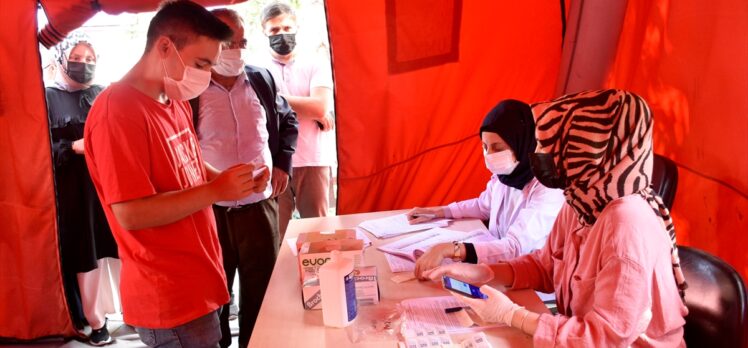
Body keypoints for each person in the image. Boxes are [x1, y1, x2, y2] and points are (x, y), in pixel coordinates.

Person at [425, 89, 689, 346]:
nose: (541, 153)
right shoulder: (581, 201)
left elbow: (604, 338)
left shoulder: (626, 225)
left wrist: (511, 315)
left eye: (554, 144)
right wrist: (484, 272)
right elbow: (544, 266)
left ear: (589, 149)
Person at [83, 1, 270, 347]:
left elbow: (190, 166)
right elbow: (131, 212)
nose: (205, 74)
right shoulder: (118, 111)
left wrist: (230, 181)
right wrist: (216, 191)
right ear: (165, 46)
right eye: (201, 64)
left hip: (199, 277)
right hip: (168, 294)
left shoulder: (173, 98)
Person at [191, 8, 298, 348]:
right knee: (214, 293)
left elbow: (288, 119)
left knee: (263, 292)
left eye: (242, 42)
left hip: (260, 207)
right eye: (228, 42)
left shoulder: (261, 79)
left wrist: (283, 163)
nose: (236, 50)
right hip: (212, 212)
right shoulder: (190, 90)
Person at [408, 100, 565, 279]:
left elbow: (514, 248)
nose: (489, 155)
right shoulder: (507, 174)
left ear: (522, 143)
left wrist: (451, 249)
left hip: (528, 283)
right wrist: (438, 211)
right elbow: (483, 205)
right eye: (485, 147)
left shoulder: (548, 187)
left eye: (498, 148)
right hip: (497, 268)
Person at [46, 32, 119, 346]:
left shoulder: (103, 93)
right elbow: (38, 149)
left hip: (108, 184)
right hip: (73, 190)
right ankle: (94, 320)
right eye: (76, 59)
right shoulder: (47, 96)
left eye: (90, 60)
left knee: (117, 248)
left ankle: (129, 312)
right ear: (62, 59)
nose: (83, 65)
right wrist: (72, 147)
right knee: (85, 252)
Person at [258, 2, 335, 237]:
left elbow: (319, 105)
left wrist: (273, 99)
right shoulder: (258, 69)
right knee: (277, 237)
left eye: (286, 28)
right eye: (274, 30)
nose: (281, 34)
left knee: (319, 235)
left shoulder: (315, 62)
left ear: (296, 28)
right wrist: (309, 108)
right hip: (274, 163)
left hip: (313, 161)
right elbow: (256, 111)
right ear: (264, 32)